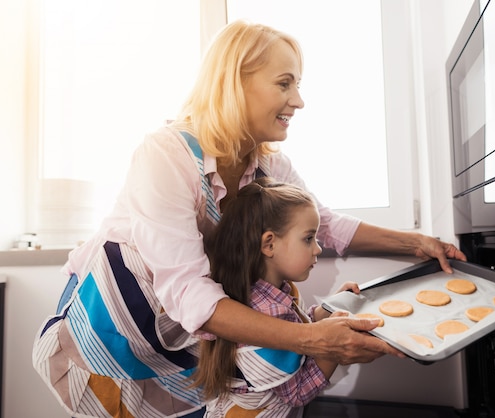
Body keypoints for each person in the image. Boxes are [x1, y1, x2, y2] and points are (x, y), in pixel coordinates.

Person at [32, 19, 466, 418]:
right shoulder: (165, 155)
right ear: (234, 83)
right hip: (113, 325)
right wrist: (313, 340)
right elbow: (189, 292)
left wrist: (417, 244)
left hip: (181, 335)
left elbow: (327, 224)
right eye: (284, 83)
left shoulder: (268, 167)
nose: (298, 100)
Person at [194, 177, 358, 417]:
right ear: (269, 244)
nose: (318, 249)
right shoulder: (268, 312)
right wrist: (336, 347)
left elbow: (297, 328)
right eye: (308, 238)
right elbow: (299, 391)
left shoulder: (268, 293)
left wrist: (329, 309)